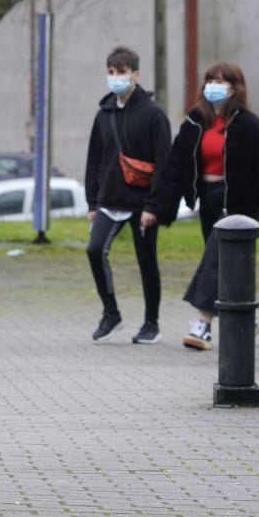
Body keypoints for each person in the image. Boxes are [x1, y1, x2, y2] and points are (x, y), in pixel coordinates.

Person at [143, 61, 259, 350]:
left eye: (220, 81)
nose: (212, 86)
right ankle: (243, 316)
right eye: (209, 80)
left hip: (240, 203)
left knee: (215, 260)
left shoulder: (249, 125)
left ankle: (202, 324)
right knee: (228, 266)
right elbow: (175, 167)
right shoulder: (196, 121)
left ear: (235, 87)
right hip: (209, 201)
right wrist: (160, 208)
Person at [84, 46, 171, 344]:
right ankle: (111, 314)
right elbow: (94, 160)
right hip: (109, 200)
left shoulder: (153, 115)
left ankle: (151, 324)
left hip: (141, 204)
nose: (115, 78)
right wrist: (92, 203)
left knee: (146, 261)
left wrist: (153, 205)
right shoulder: (103, 113)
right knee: (94, 250)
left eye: (121, 72)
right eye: (111, 73)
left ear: (135, 74)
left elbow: (164, 163)